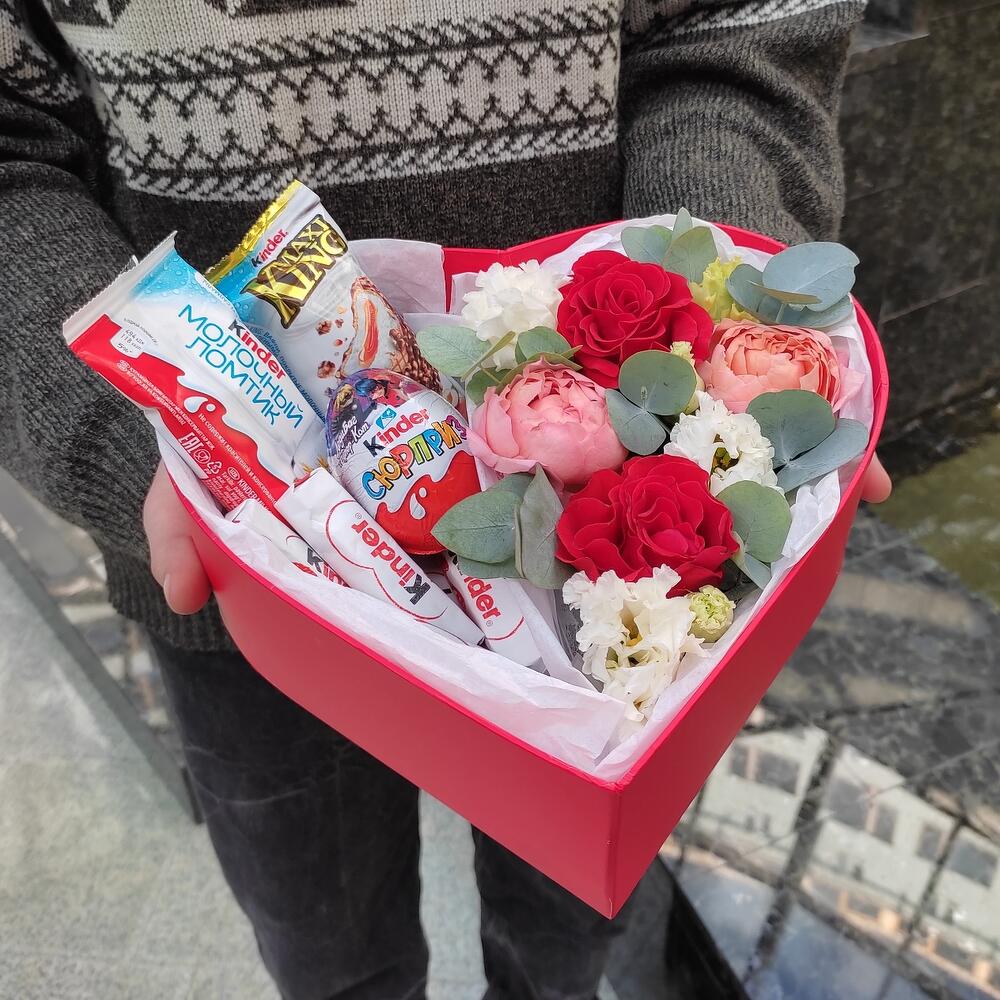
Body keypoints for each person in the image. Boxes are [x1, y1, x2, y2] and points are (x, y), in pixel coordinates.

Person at [0, 1, 891, 997]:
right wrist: (152, 444)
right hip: (247, 583)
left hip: (611, 567)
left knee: (562, 942)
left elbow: (732, 27)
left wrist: (721, 360)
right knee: (331, 950)